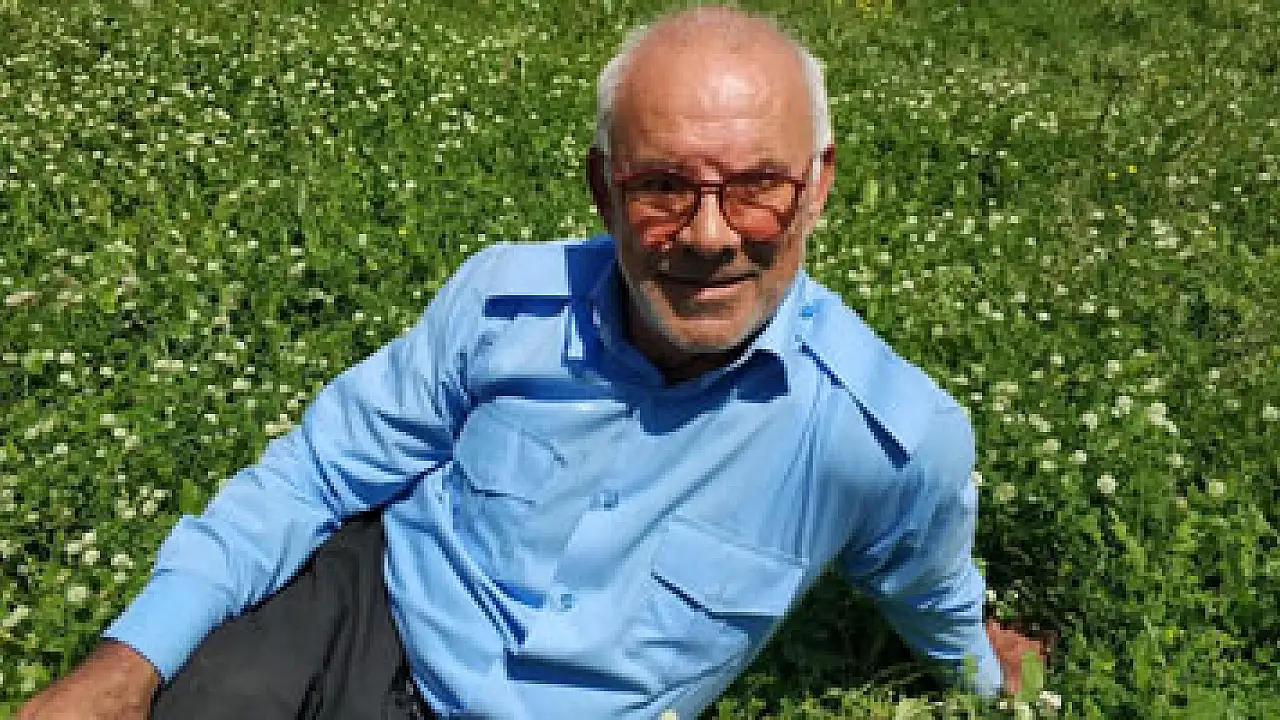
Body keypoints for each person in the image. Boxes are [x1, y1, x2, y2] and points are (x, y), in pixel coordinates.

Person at [19, 7, 1048, 719]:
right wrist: (128, 659)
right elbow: (316, 474)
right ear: (602, 188)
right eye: (661, 187)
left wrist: (985, 669)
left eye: (756, 188)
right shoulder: (502, 299)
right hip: (369, 610)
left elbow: (926, 585)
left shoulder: (886, 439)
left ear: (817, 187)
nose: (707, 235)